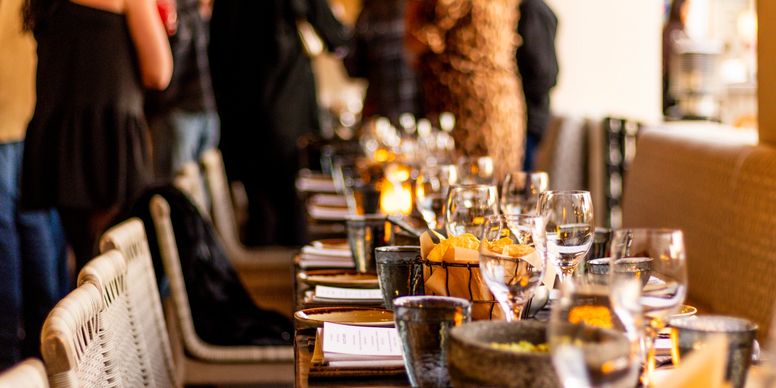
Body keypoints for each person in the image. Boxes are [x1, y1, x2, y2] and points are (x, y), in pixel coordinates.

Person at [22, 0, 173, 273]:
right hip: (109, 140)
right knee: (114, 265)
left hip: (61, 137)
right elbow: (158, 72)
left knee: (83, 259)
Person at [209, 0, 348, 246]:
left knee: (260, 211)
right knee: (292, 207)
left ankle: (264, 274)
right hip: (284, 107)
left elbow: (215, 47)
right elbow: (335, 37)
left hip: (238, 115)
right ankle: (281, 278)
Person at [0, 0, 69, 369]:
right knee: (37, 225)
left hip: (10, 112)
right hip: (33, 110)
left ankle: (10, 355)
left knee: (8, 237)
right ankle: (49, 349)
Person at [406, 0, 526, 180]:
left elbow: (417, 40)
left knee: (464, 186)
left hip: (466, 106)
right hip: (504, 101)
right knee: (497, 189)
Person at [146, 0, 220, 183]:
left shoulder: (183, 7)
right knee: (184, 197)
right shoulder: (187, 7)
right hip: (190, 111)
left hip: (189, 112)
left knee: (179, 197)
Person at [344, 0, 423, 124]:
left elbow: (353, 68)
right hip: (417, 107)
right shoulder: (419, 7)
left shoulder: (369, 12)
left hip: (380, 110)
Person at [516, 0, 558, 172]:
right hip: (530, 117)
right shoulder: (534, 9)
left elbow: (544, 73)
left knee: (521, 190)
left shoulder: (531, 9)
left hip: (528, 120)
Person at [663, 0, 690, 117]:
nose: (688, 12)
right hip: (670, 83)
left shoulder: (670, 29)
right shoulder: (675, 32)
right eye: (686, 8)